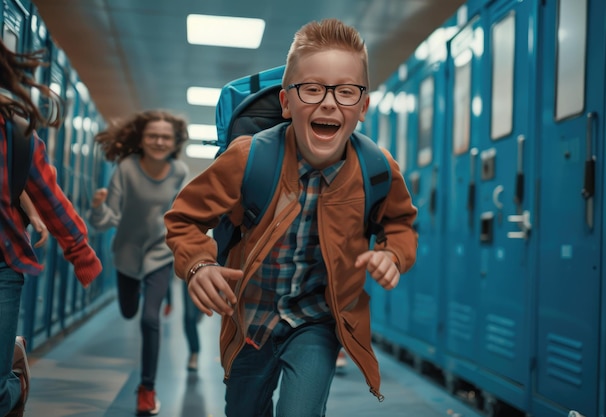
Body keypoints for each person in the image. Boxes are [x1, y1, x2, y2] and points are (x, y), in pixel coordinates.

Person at [165, 18, 418, 417]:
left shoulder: (376, 169)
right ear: (286, 102)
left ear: (363, 107)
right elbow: (183, 219)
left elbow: (400, 224)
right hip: (251, 320)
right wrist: (198, 265)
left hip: (315, 322)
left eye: (346, 91)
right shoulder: (250, 157)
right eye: (312, 89)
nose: (329, 102)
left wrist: (393, 255)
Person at [0, 41, 103, 417]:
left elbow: (50, 195)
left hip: (3, 263)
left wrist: (81, 252)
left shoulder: (16, 128)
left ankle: (14, 381)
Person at [87, 109, 189, 416]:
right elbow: (108, 219)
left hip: (159, 254)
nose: (159, 141)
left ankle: (147, 388)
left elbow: (180, 217)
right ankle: (142, 297)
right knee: (129, 311)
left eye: (165, 137)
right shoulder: (127, 168)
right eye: (152, 136)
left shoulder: (180, 172)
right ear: (142, 140)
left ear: (175, 142)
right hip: (127, 253)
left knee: (149, 319)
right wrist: (97, 209)